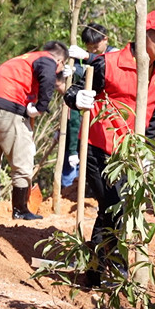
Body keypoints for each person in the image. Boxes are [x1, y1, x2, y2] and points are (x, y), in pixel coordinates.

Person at [64, 10, 155, 286]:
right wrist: (76, 97)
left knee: (113, 208)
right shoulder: (109, 63)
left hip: (130, 155)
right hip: (97, 146)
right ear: (143, 36)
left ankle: (94, 272)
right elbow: (74, 90)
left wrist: (147, 153)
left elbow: (149, 120)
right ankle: (115, 268)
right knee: (114, 205)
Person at [0, 41, 68, 219]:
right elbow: (48, 78)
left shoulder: (24, 59)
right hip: (8, 107)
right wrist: (41, 107)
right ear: (60, 61)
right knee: (22, 159)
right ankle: (20, 209)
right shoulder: (47, 60)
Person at [62, 23, 118, 188]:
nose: (93, 51)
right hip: (91, 115)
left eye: (95, 47)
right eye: (89, 48)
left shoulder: (114, 54)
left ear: (105, 39)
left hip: (111, 117)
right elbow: (86, 75)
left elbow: (107, 66)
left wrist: (88, 56)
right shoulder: (87, 57)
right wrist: (74, 71)